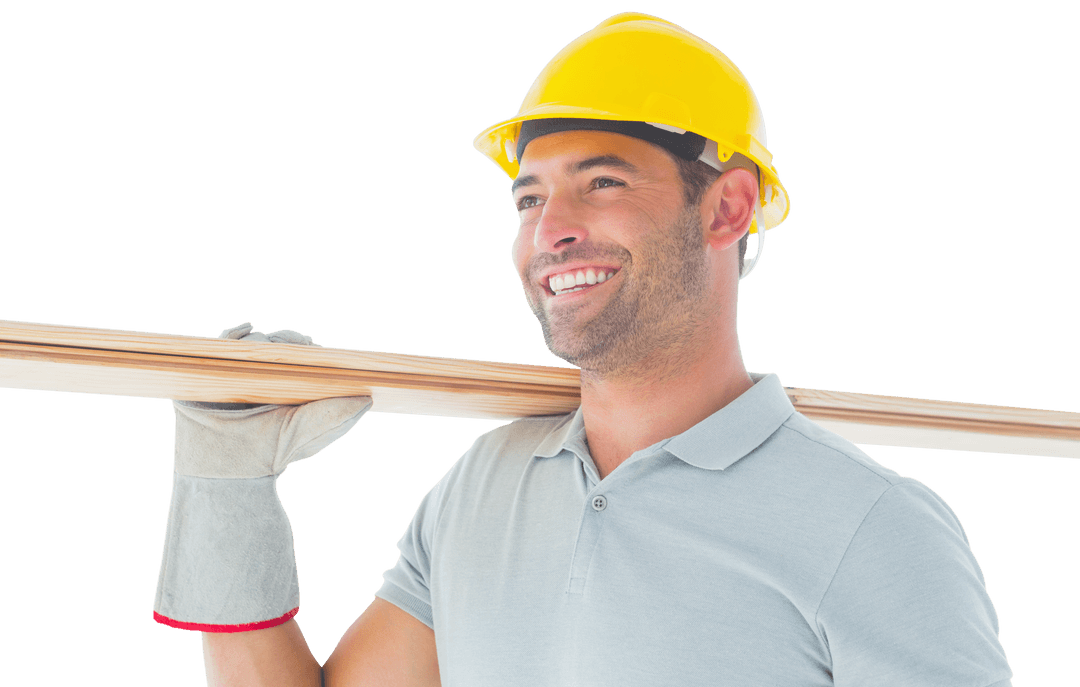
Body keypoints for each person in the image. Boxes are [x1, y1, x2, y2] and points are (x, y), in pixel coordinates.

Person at [151, 11, 1014, 686]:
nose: (550, 232)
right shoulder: (480, 487)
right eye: (528, 201)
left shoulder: (872, 529)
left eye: (601, 182)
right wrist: (227, 485)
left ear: (726, 209)